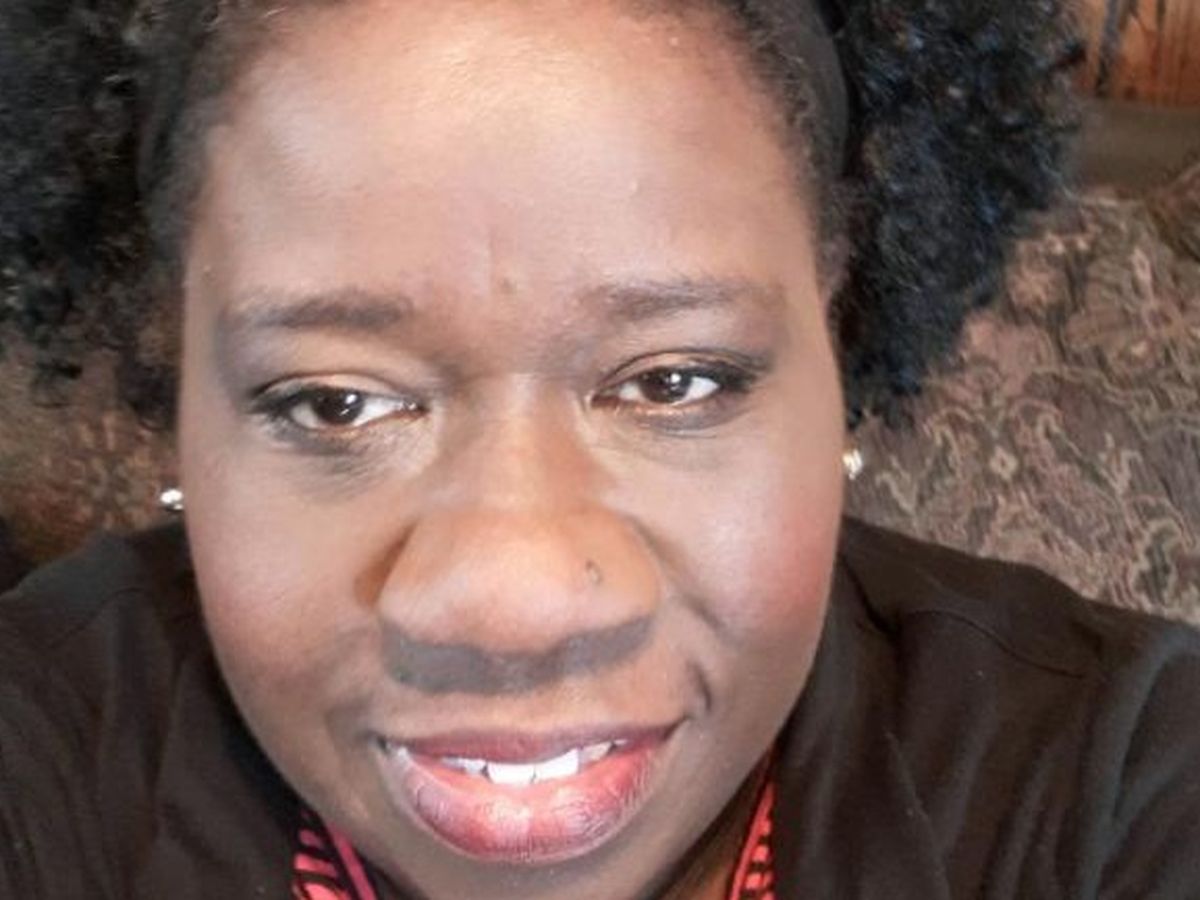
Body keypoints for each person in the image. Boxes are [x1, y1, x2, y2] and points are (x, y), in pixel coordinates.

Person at [0, 0, 1197, 897]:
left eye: (674, 382)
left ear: (839, 340)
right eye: (335, 404)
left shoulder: (1116, 784)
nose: (513, 608)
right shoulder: (46, 753)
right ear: (182, 385)